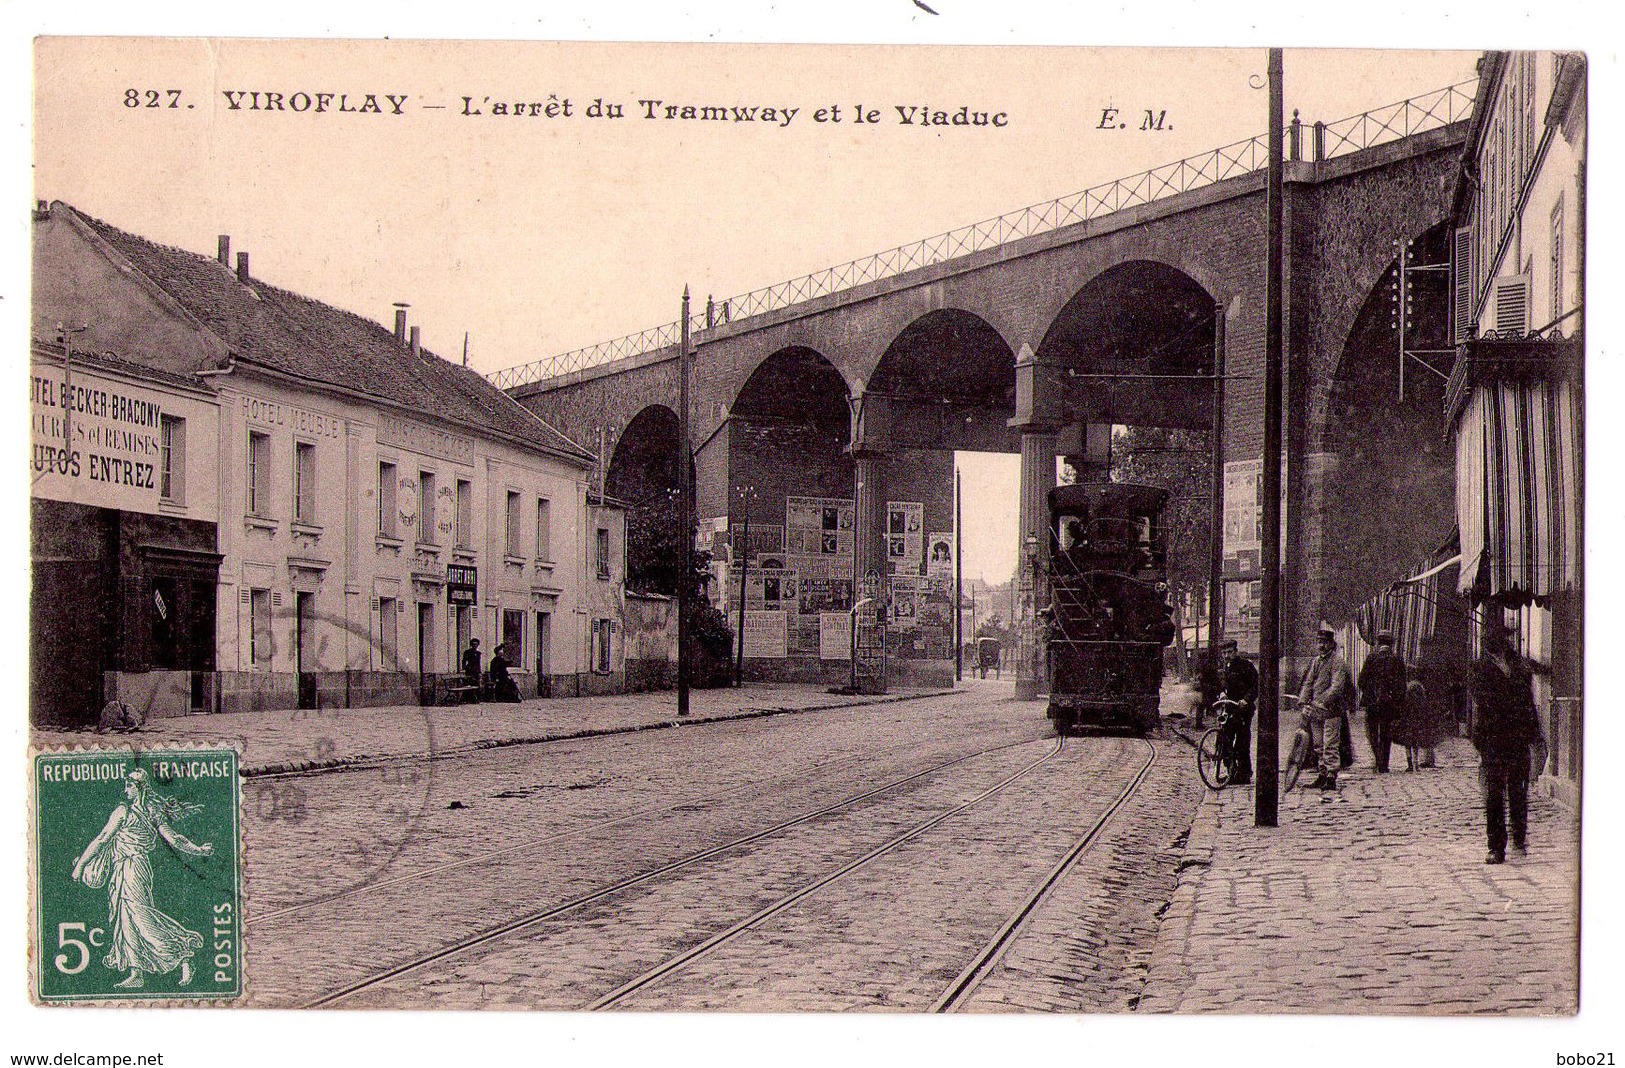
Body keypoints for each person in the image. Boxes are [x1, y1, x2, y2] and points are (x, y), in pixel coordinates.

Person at [70, 768, 213, 989]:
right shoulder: (149, 811)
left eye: (129, 785)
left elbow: (102, 839)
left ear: (139, 788)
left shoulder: (127, 811)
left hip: (133, 868)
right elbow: (174, 839)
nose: (125, 789)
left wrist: (80, 866)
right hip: (124, 868)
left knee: (140, 916)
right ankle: (137, 972)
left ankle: (183, 953)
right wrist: (200, 850)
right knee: (125, 918)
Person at [1470, 619, 1545, 864]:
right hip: (1493, 738)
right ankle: (1496, 846)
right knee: (1493, 794)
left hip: (1517, 737)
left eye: (1505, 637)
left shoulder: (1519, 665)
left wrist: (1533, 734)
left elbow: (1527, 701)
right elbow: (1482, 704)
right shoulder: (1479, 669)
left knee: (1518, 790)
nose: (1503, 642)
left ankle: (1519, 838)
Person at [1298, 626, 1354, 790]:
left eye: (1325, 642)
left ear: (1331, 644)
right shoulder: (1316, 661)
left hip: (1331, 711)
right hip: (1316, 711)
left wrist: (1321, 700)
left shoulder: (1338, 662)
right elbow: (1309, 683)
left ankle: (1331, 776)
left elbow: (1337, 687)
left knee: (1330, 744)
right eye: (1319, 642)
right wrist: (1303, 700)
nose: (1321, 646)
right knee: (1318, 745)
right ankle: (1322, 774)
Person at [1357, 631, 1406, 773]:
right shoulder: (1397, 660)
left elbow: (1361, 681)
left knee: (1372, 732)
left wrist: (1370, 693)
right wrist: (1397, 702)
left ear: (1378, 643)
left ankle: (1377, 758)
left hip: (1373, 703)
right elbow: (1402, 686)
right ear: (1392, 644)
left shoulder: (1372, 658)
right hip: (1389, 704)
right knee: (1386, 733)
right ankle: (1384, 764)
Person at [1219, 639, 1259, 785]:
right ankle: (1231, 772)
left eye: (1229, 652)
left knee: (1242, 742)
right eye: (1224, 653)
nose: (1226, 655)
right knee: (1225, 741)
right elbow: (1221, 684)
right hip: (1228, 708)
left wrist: (1246, 699)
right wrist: (1221, 693)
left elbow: (1255, 686)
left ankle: (1244, 773)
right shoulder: (1224, 667)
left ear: (1235, 652)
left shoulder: (1246, 666)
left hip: (1242, 709)